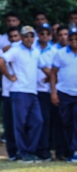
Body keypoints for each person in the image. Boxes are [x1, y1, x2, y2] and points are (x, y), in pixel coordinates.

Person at [0, 26, 51, 162]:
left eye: (31, 35)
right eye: (26, 36)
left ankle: (30, 150)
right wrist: (10, 76)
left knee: (38, 121)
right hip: (19, 90)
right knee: (20, 124)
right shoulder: (16, 50)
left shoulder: (36, 51)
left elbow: (44, 67)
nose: (29, 38)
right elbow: (0, 61)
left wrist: (51, 77)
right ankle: (22, 152)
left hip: (32, 91)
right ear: (21, 37)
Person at [0, 27, 22, 160]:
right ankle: (12, 152)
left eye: (16, 36)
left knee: (22, 122)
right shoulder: (3, 51)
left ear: (20, 36)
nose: (14, 39)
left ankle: (23, 150)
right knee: (10, 123)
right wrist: (9, 76)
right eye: (11, 37)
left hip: (22, 90)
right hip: (8, 91)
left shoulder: (26, 51)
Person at [50, 27, 77, 163]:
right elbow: (53, 73)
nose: (73, 41)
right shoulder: (60, 53)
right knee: (65, 122)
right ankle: (67, 151)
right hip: (64, 93)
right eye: (71, 38)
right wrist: (53, 92)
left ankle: (75, 151)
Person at [34, 23, 57, 161]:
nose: (44, 36)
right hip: (31, 89)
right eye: (41, 33)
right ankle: (34, 149)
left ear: (51, 35)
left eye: (47, 33)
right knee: (34, 121)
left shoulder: (54, 51)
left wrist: (50, 77)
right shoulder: (32, 48)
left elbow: (56, 70)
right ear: (38, 34)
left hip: (46, 90)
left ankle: (44, 149)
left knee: (45, 120)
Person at [52, 25, 70, 160]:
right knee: (60, 123)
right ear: (57, 36)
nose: (64, 37)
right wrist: (54, 92)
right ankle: (60, 151)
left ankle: (71, 150)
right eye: (61, 35)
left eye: (66, 34)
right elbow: (52, 73)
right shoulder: (54, 51)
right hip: (60, 92)